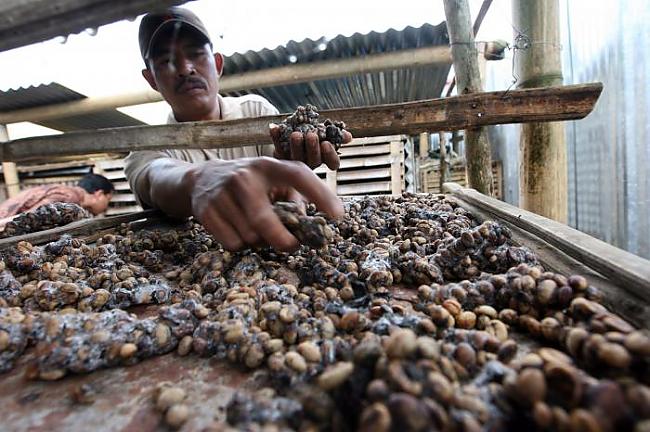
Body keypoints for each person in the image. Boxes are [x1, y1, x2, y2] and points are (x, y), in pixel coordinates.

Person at [124, 7, 352, 252]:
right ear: (151, 79)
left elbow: (280, 166)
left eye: (196, 54)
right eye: (166, 61)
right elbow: (155, 177)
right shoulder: (145, 147)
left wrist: (295, 161)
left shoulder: (255, 110)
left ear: (218, 64)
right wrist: (197, 180)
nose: (185, 68)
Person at [0, 173, 114, 220]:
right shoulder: (69, 198)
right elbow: (29, 219)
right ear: (99, 194)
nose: (106, 207)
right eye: (108, 200)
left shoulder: (67, 194)